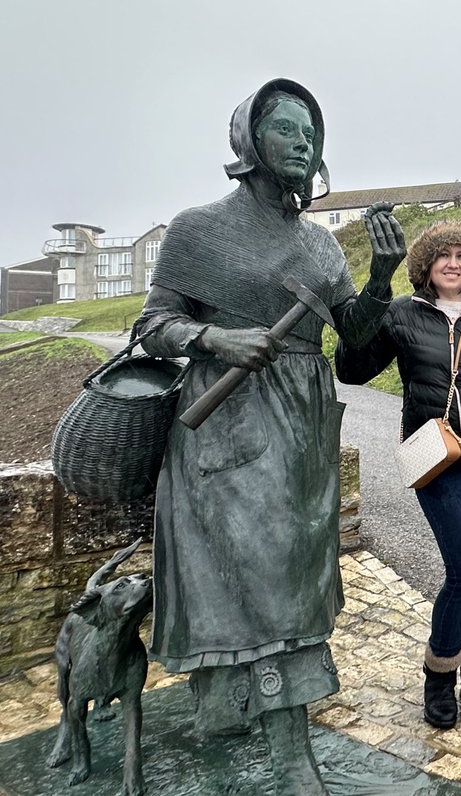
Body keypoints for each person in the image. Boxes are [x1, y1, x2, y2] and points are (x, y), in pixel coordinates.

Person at [134, 78, 406, 795]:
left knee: (292, 580)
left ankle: (282, 742)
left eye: (311, 132)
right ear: (250, 142)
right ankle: (262, 740)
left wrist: (380, 278)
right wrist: (215, 336)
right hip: (222, 422)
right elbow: (152, 327)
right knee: (231, 576)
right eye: (287, 129)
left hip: (301, 434)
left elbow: (351, 337)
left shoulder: (320, 246)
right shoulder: (197, 230)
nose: (303, 142)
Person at [334, 218, 461, 729]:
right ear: (426, 265)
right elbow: (351, 369)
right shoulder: (402, 315)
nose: (453, 263)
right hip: (435, 459)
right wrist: (375, 292)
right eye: (443, 255)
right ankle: (438, 676)